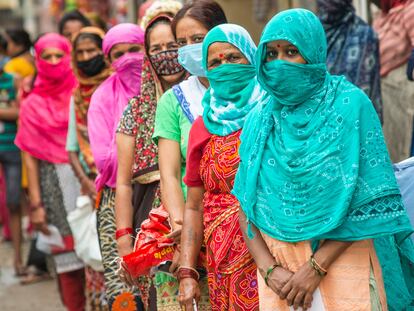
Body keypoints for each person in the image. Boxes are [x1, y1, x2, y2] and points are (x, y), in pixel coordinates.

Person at [232, 9, 414, 311]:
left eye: (292, 52)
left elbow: (369, 201)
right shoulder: (259, 120)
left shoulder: (350, 106)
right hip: (280, 273)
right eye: (271, 54)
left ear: (313, 52)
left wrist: (314, 268)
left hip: (345, 261)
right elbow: (245, 204)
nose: (279, 63)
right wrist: (269, 271)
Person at [178, 24, 263, 311]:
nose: (224, 67)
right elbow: (193, 206)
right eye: (215, 62)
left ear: (252, 58)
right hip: (221, 260)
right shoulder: (203, 125)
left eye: (233, 57)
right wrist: (187, 272)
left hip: (274, 252)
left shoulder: (272, 111)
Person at [152, 1, 228, 309]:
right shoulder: (174, 101)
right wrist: (184, 232)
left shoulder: (254, 91)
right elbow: (169, 173)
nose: (189, 49)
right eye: (181, 43)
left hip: (247, 226)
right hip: (189, 226)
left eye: (197, 39)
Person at [114, 3, 188, 310]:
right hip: (150, 222)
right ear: (148, 56)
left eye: (173, 46)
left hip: (199, 212)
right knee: (163, 300)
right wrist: (124, 239)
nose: (166, 54)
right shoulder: (135, 110)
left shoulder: (208, 100)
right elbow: (123, 183)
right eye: (156, 48)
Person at [14, 33, 85, 311]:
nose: (54, 62)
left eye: (59, 56)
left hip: (86, 180)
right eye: (48, 57)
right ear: (38, 60)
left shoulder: (81, 92)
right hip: (52, 186)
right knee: (65, 259)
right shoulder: (31, 104)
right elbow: (30, 158)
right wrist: (36, 205)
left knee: (96, 255)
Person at [88, 23, 145, 310]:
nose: (127, 58)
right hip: (114, 201)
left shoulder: (163, 91)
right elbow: (104, 161)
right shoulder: (101, 97)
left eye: (134, 49)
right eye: (118, 54)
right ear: (109, 61)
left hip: (158, 195)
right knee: (124, 287)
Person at [66, 26, 112, 311]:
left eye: (92, 51)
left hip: (119, 185)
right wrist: (86, 180)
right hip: (92, 187)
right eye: (80, 52)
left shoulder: (117, 86)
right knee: (95, 260)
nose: (86, 57)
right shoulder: (77, 96)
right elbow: (72, 148)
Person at [317, 0, 382, 121]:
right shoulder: (310, 35)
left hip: (353, 124)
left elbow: (371, 92)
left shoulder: (365, 35)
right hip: (315, 124)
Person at [373, 0, 414, 161]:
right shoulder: (384, 15)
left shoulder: (409, 11)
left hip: (401, 88)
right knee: (390, 141)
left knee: (402, 142)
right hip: (385, 89)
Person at [0, 58, 23, 275]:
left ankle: (18, 259)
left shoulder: (13, 81)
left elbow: (20, 112)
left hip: (11, 149)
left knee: (14, 202)